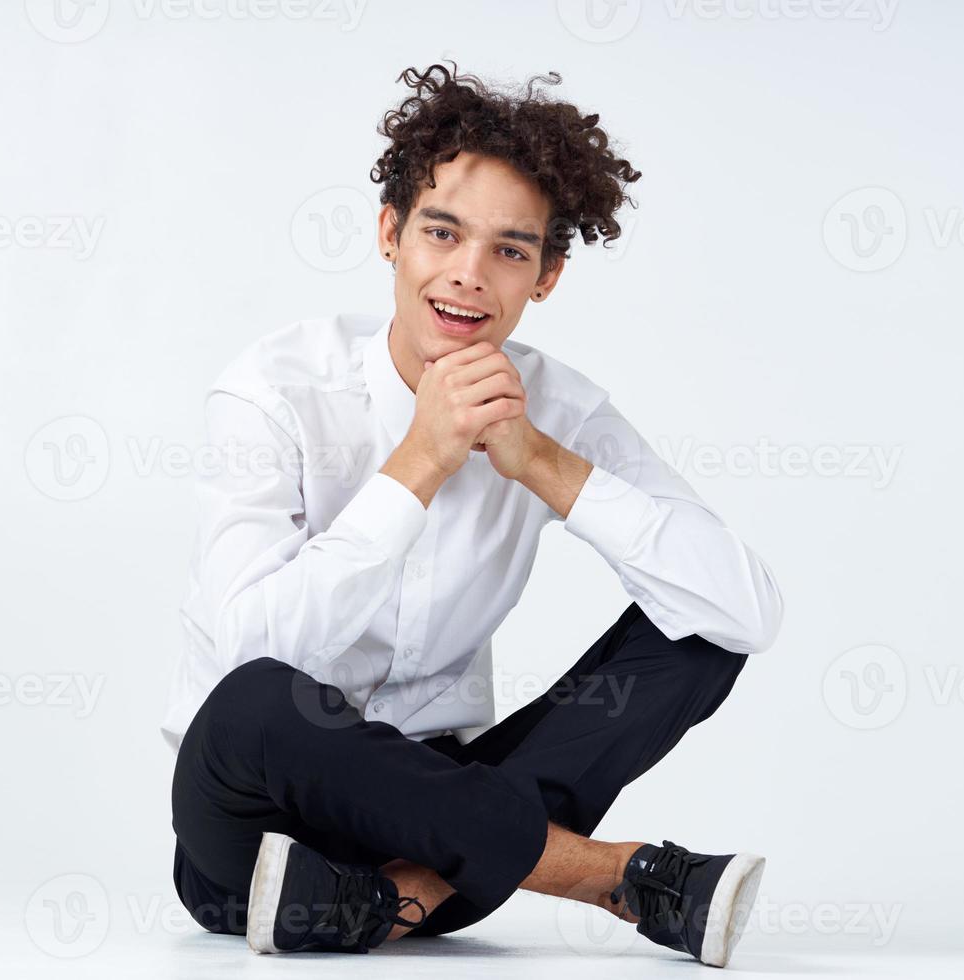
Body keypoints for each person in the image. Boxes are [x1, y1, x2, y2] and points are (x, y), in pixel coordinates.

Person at [160, 62, 784, 967]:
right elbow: (249, 651)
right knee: (253, 700)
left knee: (700, 627)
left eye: (510, 249)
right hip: (252, 851)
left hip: (444, 825)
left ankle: (390, 902)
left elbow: (749, 611)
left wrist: (544, 464)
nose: (467, 276)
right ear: (390, 234)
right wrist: (420, 460)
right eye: (442, 233)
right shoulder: (274, 391)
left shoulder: (561, 413)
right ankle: (616, 875)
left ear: (548, 276)